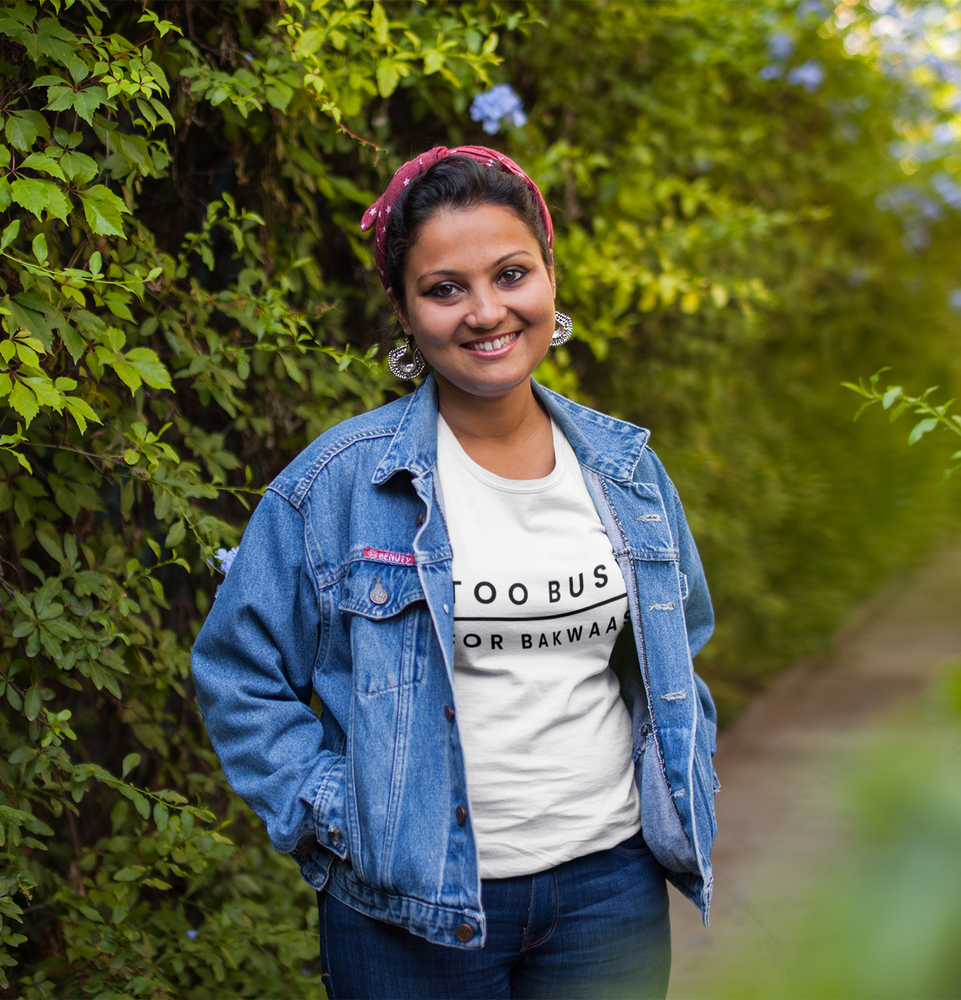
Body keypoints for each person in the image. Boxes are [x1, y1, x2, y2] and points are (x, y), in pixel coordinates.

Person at [191, 145, 718, 1000]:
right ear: (404, 311)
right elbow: (239, 673)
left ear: (550, 278)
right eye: (444, 289)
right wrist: (341, 811)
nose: (486, 312)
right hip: (409, 907)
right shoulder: (338, 484)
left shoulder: (625, 471)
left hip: (609, 894)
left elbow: (679, 642)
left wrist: (679, 777)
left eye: (511, 274)